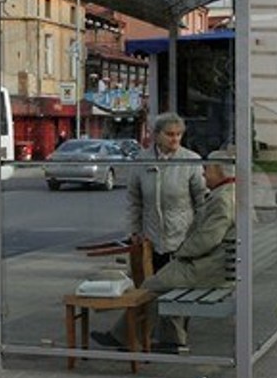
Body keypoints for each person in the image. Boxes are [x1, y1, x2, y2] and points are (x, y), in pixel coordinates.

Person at [92, 149, 236, 351]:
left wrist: (181, 253)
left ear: (221, 172)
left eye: (207, 169)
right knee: (168, 281)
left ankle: (126, 337)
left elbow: (208, 239)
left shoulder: (222, 199)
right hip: (220, 265)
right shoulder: (231, 193)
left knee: (152, 284)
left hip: (209, 269)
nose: (203, 174)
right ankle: (169, 340)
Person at [125, 111, 206, 345]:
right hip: (152, 237)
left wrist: (197, 234)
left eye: (179, 135)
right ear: (156, 135)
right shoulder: (142, 161)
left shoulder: (190, 160)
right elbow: (134, 199)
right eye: (170, 134)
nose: (175, 139)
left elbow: (201, 199)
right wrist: (134, 231)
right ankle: (158, 336)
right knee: (153, 287)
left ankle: (175, 339)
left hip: (182, 237)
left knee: (177, 288)